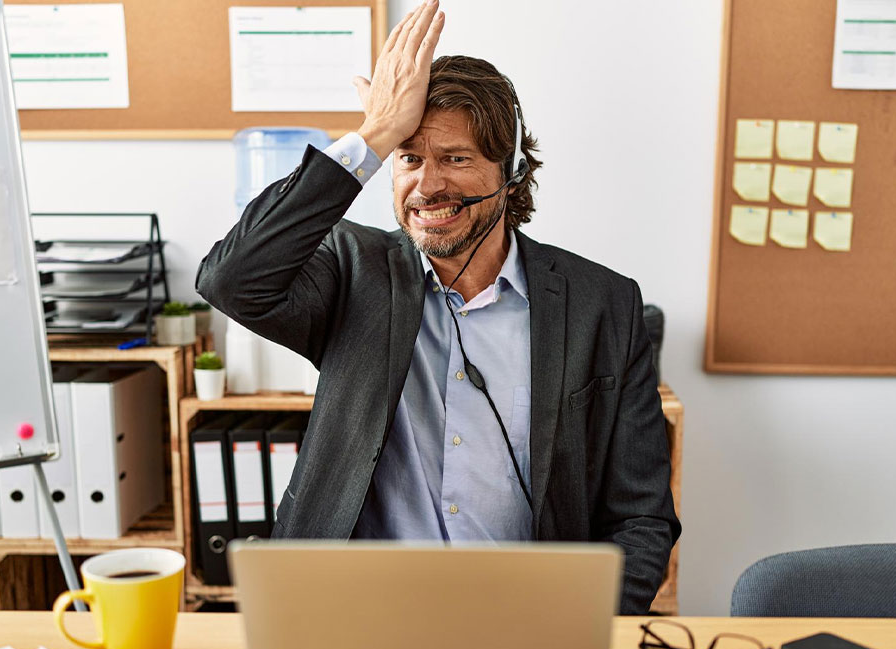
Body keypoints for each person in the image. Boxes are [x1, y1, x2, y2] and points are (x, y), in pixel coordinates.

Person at [196, 0, 679, 613]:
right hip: (354, 611)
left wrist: (583, 627)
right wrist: (375, 135)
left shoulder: (603, 305)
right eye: (409, 158)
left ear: (511, 171)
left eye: (455, 158)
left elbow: (641, 518)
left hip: (527, 618)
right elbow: (232, 279)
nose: (427, 186)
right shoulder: (353, 271)